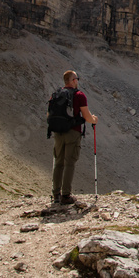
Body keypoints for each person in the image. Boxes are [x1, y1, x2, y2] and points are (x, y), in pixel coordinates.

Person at [51, 70, 98, 205]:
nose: (77, 81)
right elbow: (87, 116)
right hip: (73, 132)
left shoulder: (56, 95)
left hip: (58, 133)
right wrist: (94, 120)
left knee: (58, 162)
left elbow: (49, 115)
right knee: (69, 162)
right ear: (73, 80)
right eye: (76, 78)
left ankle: (56, 194)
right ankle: (66, 195)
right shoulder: (79, 95)